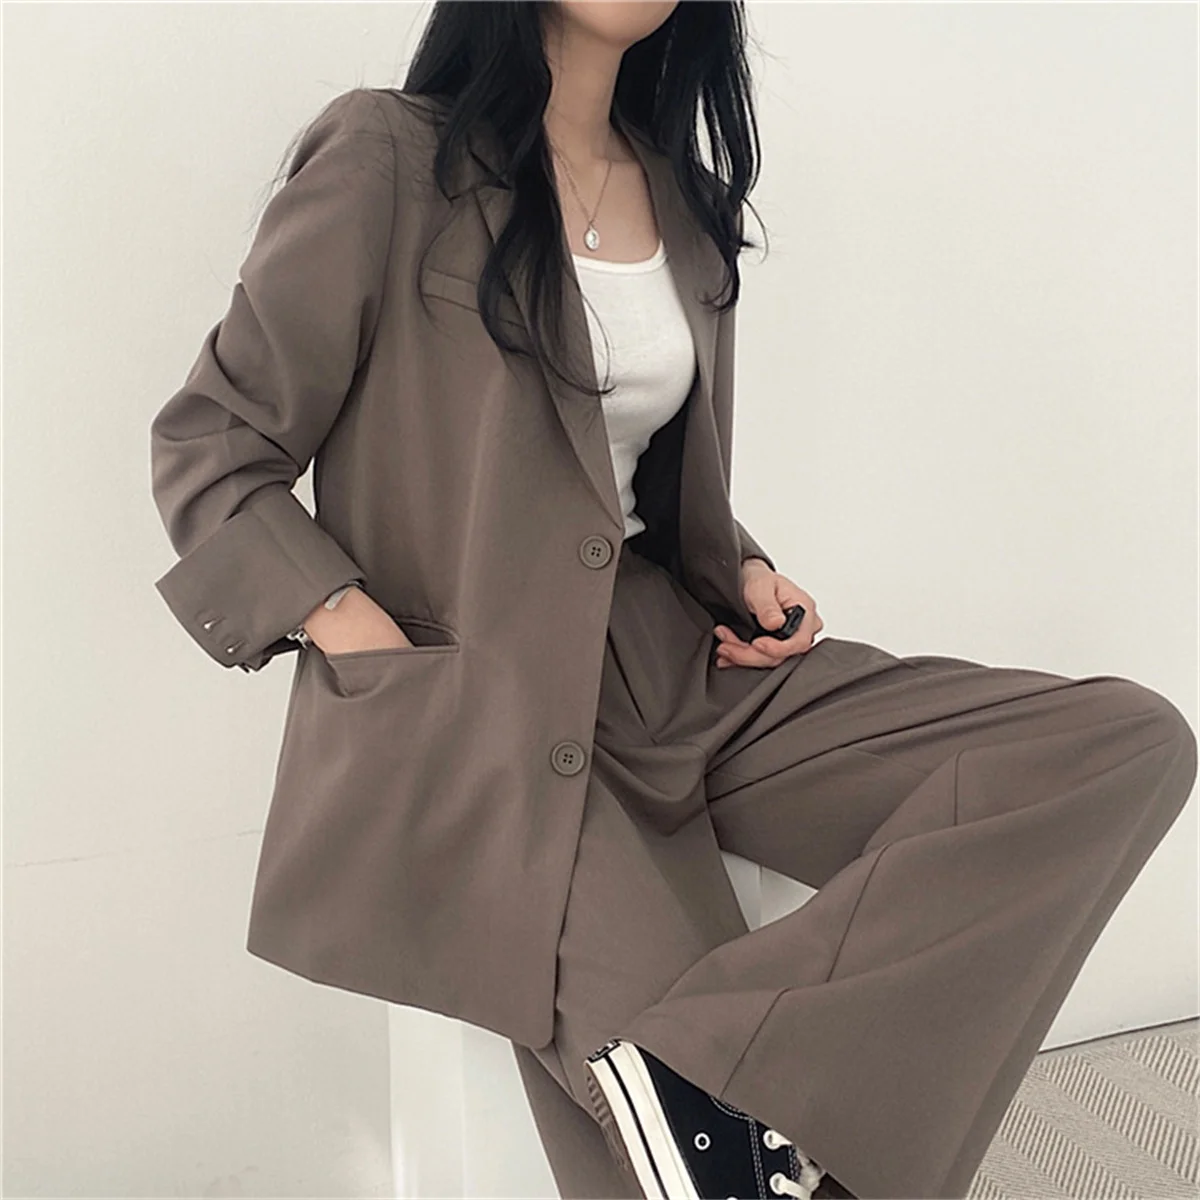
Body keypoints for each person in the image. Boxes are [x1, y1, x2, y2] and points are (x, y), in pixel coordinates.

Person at [148, 3, 1198, 1198]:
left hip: (686, 667)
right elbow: (212, 444)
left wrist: (738, 570)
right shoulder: (389, 155)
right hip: (482, 707)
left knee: (1120, 747)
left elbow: (624, 483)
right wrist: (356, 629)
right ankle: (730, 1116)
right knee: (706, 1158)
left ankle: (718, 1090)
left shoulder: (684, 202)